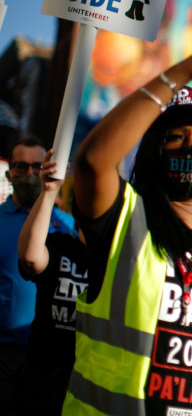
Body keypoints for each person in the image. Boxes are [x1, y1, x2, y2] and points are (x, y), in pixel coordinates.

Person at [63, 39, 192, 415]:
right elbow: (94, 161)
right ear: (156, 152)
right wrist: (182, 72)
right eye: (176, 138)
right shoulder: (125, 218)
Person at [0, 136, 75, 406]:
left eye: (38, 166)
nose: (31, 172)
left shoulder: (69, 226)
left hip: (51, 358)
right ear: (10, 174)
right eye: (22, 167)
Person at [15, 149, 87, 415]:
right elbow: (30, 259)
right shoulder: (59, 245)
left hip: (84, 382)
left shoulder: (116, 259)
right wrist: (47, 192)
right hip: (41, 378)